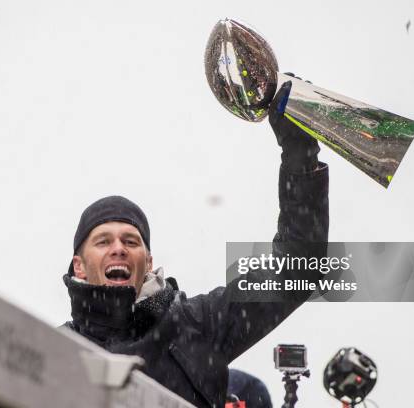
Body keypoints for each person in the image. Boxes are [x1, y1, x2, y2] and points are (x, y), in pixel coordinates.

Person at [60, 80, 329, 408]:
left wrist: (300, 153)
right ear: (79, 266)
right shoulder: (56, 352)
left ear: (148, 261)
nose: (118, 247)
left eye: (131, 240)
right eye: (103, 241)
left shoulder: (197, 326)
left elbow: (297, 268)